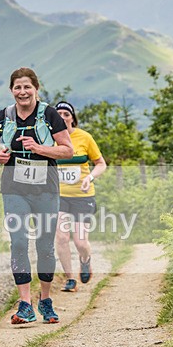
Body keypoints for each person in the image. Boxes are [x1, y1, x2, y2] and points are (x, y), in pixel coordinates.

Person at [0, 68, 73, 325]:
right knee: (19, 242)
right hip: (14, 187)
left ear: (36, 89)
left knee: (44, 244)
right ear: (11, 90)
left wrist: (39, 148)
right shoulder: (4, 116)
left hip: (46, 188)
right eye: (17, 87)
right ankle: (25, 304)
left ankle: (45, 299)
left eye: (27, 87)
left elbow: (67, 150)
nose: (22, 92)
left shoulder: (50, 115)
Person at [53, 101, 107, 292]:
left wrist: (90, 177)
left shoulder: (84, 137)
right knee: (61, 237)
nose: (62, 117)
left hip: (83, 196)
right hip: (59, 196)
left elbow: (101, 163)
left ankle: (85, 260)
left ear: (72, 118)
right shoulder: (49, 139)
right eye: (58, 114)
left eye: (66, 114)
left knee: (80, 242)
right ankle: (70, 279)